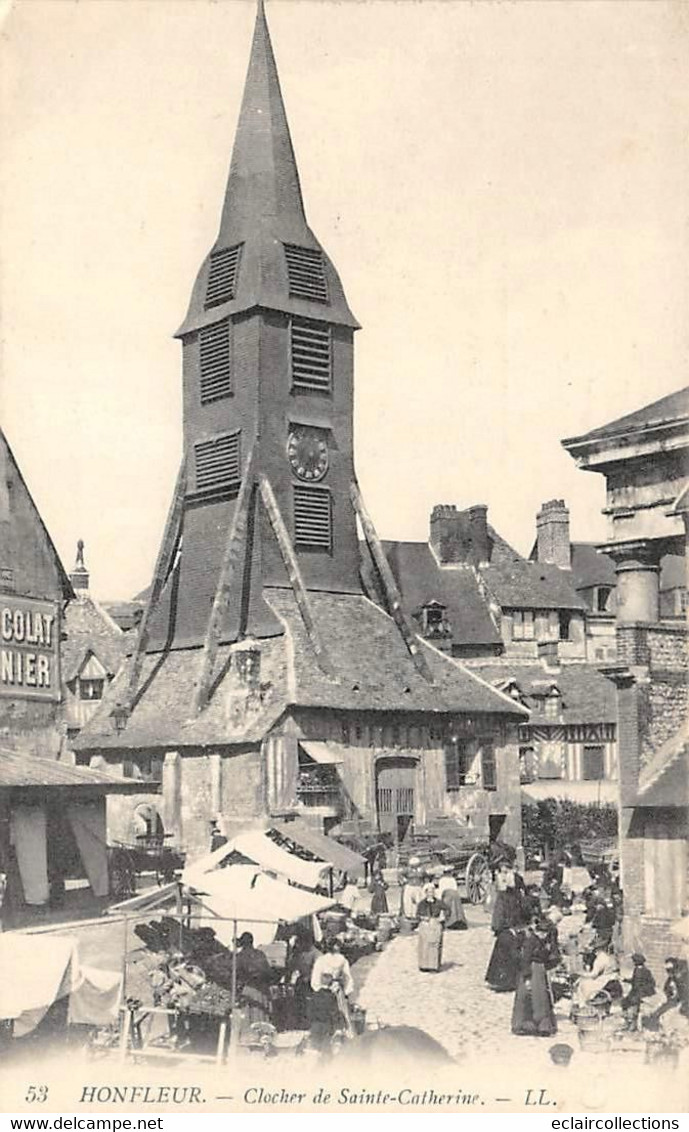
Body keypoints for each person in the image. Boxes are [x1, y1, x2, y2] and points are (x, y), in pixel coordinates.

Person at [511, 916, 560, 1036]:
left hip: (540, 970)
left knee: (541, 998)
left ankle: (543, 1025)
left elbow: (552, 956)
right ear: (537, 931)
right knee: (527, 997)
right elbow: (525, 960)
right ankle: (524, 1024)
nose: (543, 935)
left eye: (545, 933)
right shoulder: (530, 941)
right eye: (541, 932)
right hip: (531, 970)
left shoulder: (545, 941)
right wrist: (527, 978)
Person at [485, 861, 526, 992]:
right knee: (507, 951)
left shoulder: (508, 896)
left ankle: (504, 981)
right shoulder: (510, 896)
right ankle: (506, 981)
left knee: (506, 951)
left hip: (509, 927)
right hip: (510, 928)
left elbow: (501, 913)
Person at [235, 932, 277, 1025]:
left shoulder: (239, 956)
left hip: (248, 988)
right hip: (262, 988)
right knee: (261, 1013)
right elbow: (268, 972)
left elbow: (236, 974)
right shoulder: (260, 954)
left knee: (249, 1015)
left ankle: (250, 1034)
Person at [645, 957, 689, 1031]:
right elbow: (667, 989)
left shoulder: (683, 978)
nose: (668, 972)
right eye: (667, 970)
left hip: (682, 1002)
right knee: (657, 1012)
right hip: (674, 1000)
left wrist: (681, 1002)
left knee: (670, 1016)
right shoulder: (672, 978)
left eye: (670, 970)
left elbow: (684, 993)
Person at [575, 939, 621, 1008]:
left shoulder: (600, 959)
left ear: (597, 949)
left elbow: (594, 974)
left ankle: (583, 1004)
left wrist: (581, 974)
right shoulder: (607, 957)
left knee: (582, 984)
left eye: (594, 949)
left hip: (604, 980)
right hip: (611, 978)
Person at [308, 971, 344, 1053]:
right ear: (330, 982)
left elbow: (309, 1012)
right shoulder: (331, 996)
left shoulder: (314, 995)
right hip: (327, 1025)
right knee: (326, 1050)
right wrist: (338, 1027)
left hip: (315, 1026)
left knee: (315, 1049)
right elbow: (334, 1012)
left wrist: (310, 1024)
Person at [621, 953, 656, 1030]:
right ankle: (627, 1021)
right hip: (636, 991)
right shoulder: (637, 969)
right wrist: (625, 980)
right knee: (624, 1002)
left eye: (634, 961)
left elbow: (651, 983)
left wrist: (645, 991)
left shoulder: (644, 971)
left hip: (642, 992)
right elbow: (634, 981)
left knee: (633, 1002)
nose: (633, 963)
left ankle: (632, 1024)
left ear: (636, 962)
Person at [416, 883, 444, 972]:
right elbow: (417, 915)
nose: (431, 893)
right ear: (426, 893)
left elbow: (447, 910)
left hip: (435, 925)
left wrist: (442, 917)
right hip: (425, 926)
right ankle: (424, 965)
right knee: (424, 946)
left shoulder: (439, 902)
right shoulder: (422, 903)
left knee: (434, 945)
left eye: (432, 892)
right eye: (429, 892)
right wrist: (422, 918)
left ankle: (434, 966)